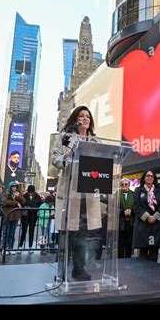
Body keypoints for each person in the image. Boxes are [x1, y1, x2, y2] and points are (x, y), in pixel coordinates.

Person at [52, 105, 102, 281]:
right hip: (69, 190)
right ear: (75, 119)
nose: (85, 118)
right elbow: (55, 158)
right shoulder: (66, 137)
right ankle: (62, 269)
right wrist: (67, 161)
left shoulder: (96, 142)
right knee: (68, 232)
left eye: (88, 116)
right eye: (81, 115)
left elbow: (103, 161)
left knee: (83, 234)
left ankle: (78, 268)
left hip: (87, 193)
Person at [132, 170, 160, 262]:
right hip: (143, 226)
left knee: (154, 253)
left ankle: (154, 275)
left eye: (152, 176)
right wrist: (147, 217)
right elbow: (136, 206)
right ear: (144, 178)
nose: (150, 177)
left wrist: (155, 217)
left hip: (156, 226)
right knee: (143, 253)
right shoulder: (138, 191)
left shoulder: (159, 191)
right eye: (147, 176)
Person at [2, 181, 25, 255]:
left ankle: (10, 248)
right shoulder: (6, 194)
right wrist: (16, 202)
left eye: (15, 187)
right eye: (13, 187)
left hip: (15, 217)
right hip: (8, 216)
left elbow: (24, 202)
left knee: (12, 233)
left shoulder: (18, 194)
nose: (14, 188)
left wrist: (18, 197)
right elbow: (5, 202)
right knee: (6, 233)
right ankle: (4, 248)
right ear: (10, 187)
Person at [19, 185, 42, 253]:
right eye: (29, 192)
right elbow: (22, 203)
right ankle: (20, 246)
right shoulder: (24, 196)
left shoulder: (37, 196)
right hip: (25, 216)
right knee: (24, 231)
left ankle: (30, 247)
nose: (30, 193)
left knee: (31, 232)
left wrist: (34, 208)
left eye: (32, 192)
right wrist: (25, 206)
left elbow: (40, 204)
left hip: (33, 216)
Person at [118, 178, 134, 258]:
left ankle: (128, 259)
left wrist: (131, 211)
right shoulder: (116, 195)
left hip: (131, 223)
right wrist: (122, 212)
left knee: (129, 243)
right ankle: (120, 260)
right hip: (120, 223)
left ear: (129, 185)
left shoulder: (134, 194)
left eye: (126, 184)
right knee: (120, 244)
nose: (124, 185)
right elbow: (113, 208)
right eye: (122, 184)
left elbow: (137, 207)